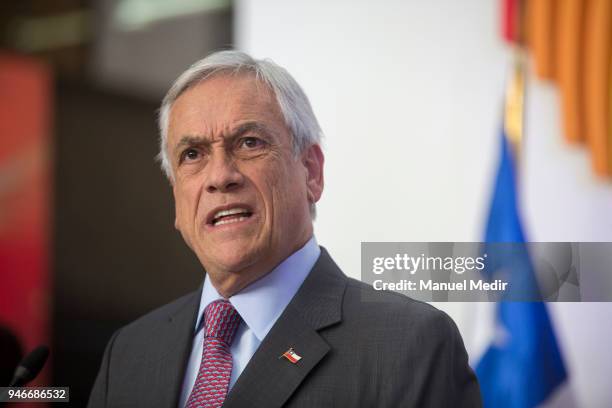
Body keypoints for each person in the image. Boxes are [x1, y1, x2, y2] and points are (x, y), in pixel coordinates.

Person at [88, 50, 481, 408]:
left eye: (249, 143)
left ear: (311, 172)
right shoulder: (130, 352)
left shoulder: (407, 346)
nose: (220, 177)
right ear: (176, 196)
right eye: (193, 155)